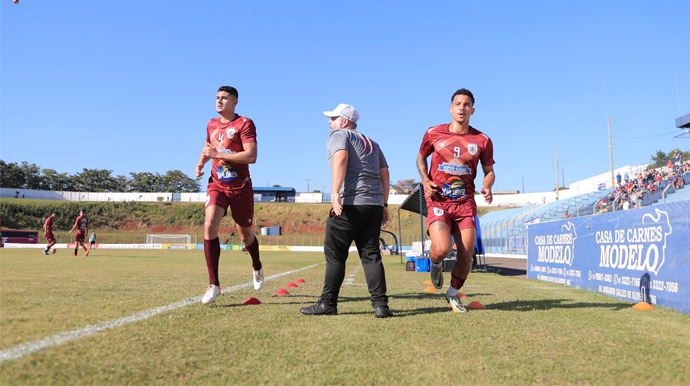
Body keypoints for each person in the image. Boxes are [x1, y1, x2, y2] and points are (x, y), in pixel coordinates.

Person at [300, 103, 393, 318]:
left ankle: (328, 303)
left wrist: (334, 193)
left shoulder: (339, 135)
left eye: (332, 118)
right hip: (373, 205)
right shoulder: (373, 143)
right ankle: (381, 306)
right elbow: (385, 173)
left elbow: (341, 158)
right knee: (371, 256)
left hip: (350, 203)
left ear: (344, 121)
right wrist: (384, 203)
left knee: (335, 255)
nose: (329, 122)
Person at [416, 88, 495, 313]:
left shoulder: (482, 140)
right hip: (439, 200)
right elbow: (421, 156)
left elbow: (489, 171)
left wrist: (487, 186)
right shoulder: (433, 133)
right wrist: (425, 180)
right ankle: (436, 263)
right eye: (458, 104)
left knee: (466, 254)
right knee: (440, 249)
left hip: (465, 203)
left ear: (473, 110)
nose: (462, 108)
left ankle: (453, 293)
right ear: (451, 108)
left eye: (466, 104)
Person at [195, 86, 263, 305]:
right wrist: (200, 163)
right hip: (217, 184)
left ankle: (257, 266)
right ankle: (214, 284)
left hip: (241, 187)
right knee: (209, 225)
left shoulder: (244, 123)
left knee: (246, 236)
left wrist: (218, 154)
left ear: (235, 102)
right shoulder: (211, 124)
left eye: (224, 98)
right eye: (217, 97)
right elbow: (208, 146)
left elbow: (251, 156)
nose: (219, 101)